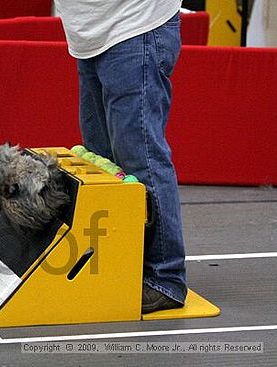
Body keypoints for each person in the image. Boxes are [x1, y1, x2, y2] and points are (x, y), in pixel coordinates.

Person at [54, 0, 187, 313]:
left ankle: (165, 278)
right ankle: (125, 268)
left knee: (141, 160)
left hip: (134, 26)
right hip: (91, 34)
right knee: (103, 165)